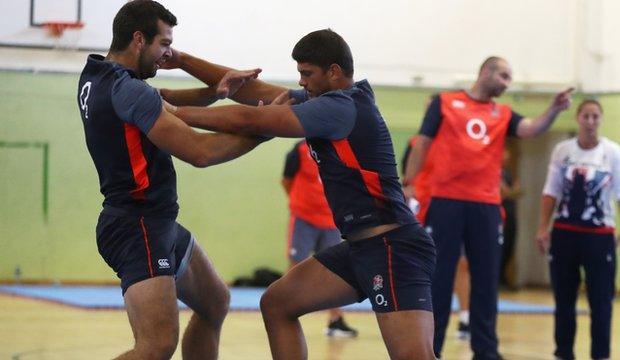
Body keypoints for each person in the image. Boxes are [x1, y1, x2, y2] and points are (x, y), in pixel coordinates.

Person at [169, 29, 438, 360]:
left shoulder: (341, 107)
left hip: (393, 248)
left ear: (334, 72)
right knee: (278, 303)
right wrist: (182, 60)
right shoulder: (324, 100)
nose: (302, 83)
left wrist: (172, 113)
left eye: (307, 74)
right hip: (360, 248)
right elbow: (252, 93)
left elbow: (247, 118)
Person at [76, 1, 267, 359]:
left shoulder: (97, 76)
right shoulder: (129, 90)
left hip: (154, 220)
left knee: (214, 302)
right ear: (138, 39)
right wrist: (264, 128)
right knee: (157, 345)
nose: (167, 54)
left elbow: (162, 100)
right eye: (164, 44)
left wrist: (217, 91)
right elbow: (200, 152)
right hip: (138, 224)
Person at [402, 56, 574, 360]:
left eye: (510, 78)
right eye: (504, 76)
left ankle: (486, 350)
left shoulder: (503, 113)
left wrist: (555, 109)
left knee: (485, 279)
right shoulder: (444, 103)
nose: (508, 83)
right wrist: (410, 184)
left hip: (485, 206)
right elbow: (423, 144)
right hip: (446, 202)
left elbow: (532, 129)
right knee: (440, 277)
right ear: (485, 72)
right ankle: (433, 349)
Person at [535, 99, 620, 360]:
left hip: (599, 236)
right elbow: (551, 191)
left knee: (601, 301)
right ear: (578, 119)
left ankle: (600, 354)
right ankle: (563, 352)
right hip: (565, 233)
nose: (590, 122)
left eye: (595, 117)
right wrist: (543, 228)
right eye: (586, 116)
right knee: (564, 300)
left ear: (601, 120)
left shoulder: (612, 152)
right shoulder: (562, 151)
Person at [281, 140, 358, 337]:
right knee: (296, 265)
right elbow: (286, 180)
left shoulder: (343, 148)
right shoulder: (299, 149)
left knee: (336, 272)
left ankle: (336, 320)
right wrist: (301, 202)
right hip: (303, 217)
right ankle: (284, 312)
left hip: (331, 220)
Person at [401, 135, 471, 340]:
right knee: (417, 262)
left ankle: (465, 317)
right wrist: (409, 189)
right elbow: (407, 175)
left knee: (460, 262)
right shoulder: (416, 143)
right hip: (422, 207)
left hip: (451, 205)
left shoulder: (459, 141)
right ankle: (413, 317)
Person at [499, 146, 522, 288]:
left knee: (509, 245)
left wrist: (510, 192)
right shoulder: (495, 172)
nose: (507, 155)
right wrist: (511, 192)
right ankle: (497, 278)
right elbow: (506, 192)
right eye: (505, 151)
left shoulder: (509, 174)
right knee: (500, 247)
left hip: (511, 213)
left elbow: (516, 191)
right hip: (501, 214)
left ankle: (503, 277)